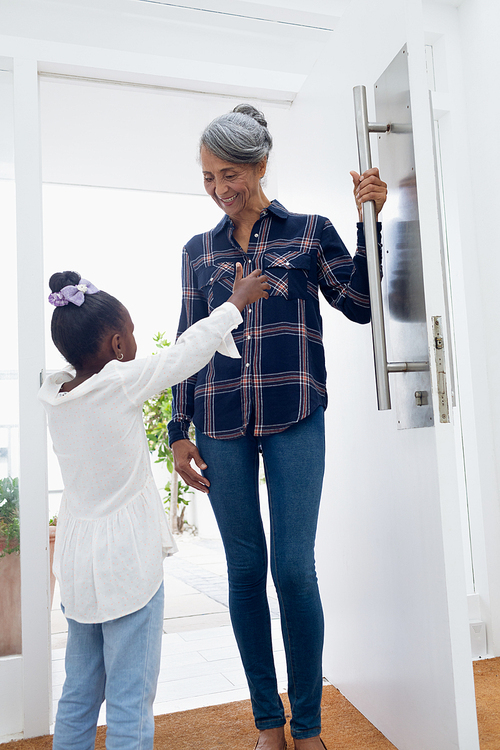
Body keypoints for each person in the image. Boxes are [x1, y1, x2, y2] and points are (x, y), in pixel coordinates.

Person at [168, 104, 387, 750]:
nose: (219, 189)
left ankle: (310, 726)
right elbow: (188, 342)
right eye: (208, 177)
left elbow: (361, 304)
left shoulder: (310, 233)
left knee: (293, 569)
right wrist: (178, 431)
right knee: (244, 571)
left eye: (229, 174)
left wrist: (368, 221)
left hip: (295, 414)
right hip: (219, 422)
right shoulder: (197, 253)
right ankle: (269, 723)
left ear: (261, 166)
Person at [38, 265, 269, 750]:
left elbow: (70, 365)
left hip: (79, 564)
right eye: (132, 333)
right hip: (126, 566)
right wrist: (235, 304)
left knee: (79, 692)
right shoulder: (119, 383)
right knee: (129, 699)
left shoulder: (55, 394)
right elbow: (184, 355)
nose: (137, 341)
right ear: (118, 347)